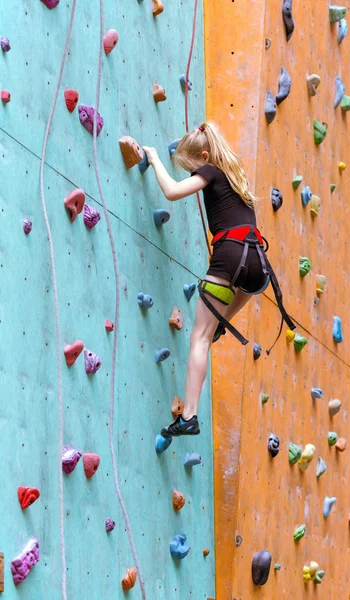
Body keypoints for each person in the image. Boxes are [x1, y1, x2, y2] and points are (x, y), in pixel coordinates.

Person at [143, 121, 293, 439]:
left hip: (229, 256)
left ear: (206, 156)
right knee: (215, 324)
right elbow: (251, 275)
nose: (194, 174)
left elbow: (172, 192)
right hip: (258, 267)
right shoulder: (240, 184)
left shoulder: (211, 171)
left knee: (199, 338)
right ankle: (222, 322)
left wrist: (155, 159)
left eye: (192, 168)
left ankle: (189, 417)